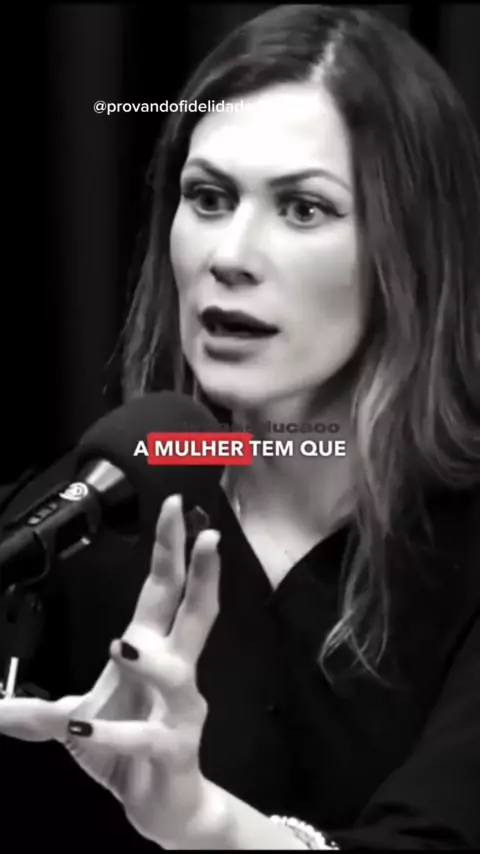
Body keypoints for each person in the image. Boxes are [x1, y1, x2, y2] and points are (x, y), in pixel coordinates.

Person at [0, 3, 479, 849]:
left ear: (410, 252)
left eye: (304, 209)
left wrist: (205, 825)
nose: (230, 255)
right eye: (209, 198)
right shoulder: (90, 512)